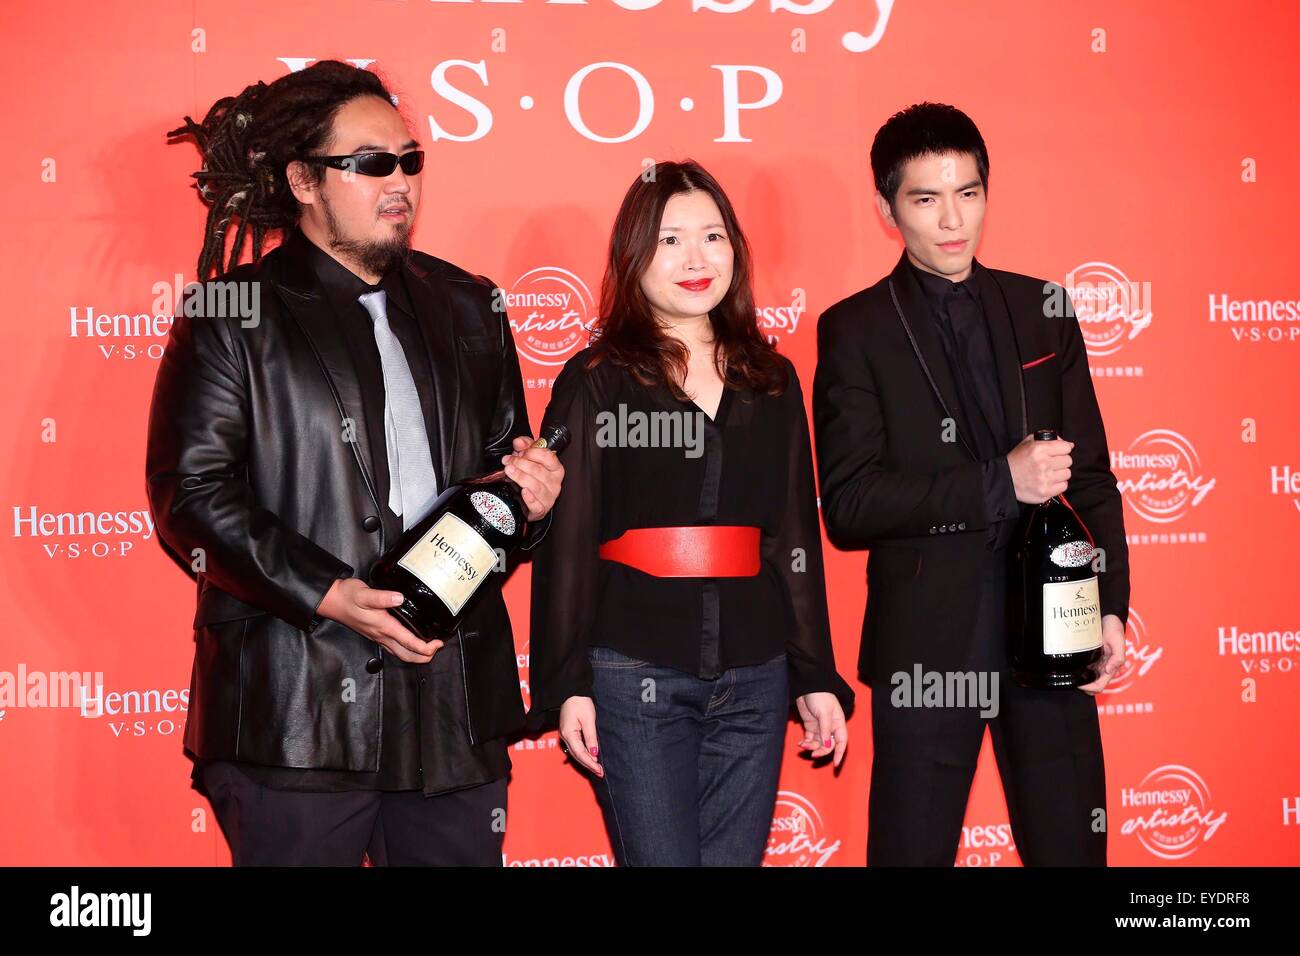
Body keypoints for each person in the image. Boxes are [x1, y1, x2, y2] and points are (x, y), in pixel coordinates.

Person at [146, 60, 563, 866]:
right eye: (371, 162)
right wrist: (328, 593)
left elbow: (500, 486)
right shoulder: (231, 316)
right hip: (296, 712)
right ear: (304, 179)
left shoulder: (472, 305)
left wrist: (534, 503)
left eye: (410, 160)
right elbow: (189, 496)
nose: (399, 179)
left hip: (452, 715)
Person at [813, 102, 1129, 866]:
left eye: (969, 193)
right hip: (927, 644)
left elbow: (1090, 478)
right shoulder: (855, 330)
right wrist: (999, 482)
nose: (953, 219)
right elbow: (851, 505)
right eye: (926, 199)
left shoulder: (1043, 309)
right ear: (888, 209)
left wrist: (1110, 607)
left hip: (1055, 629)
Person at [527, 160, 854, 867]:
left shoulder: (771, 379)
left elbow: (794, 539)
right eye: (670, 240)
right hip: (632, 673)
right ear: (633, 255)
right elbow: (569, 543)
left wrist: (816, 675)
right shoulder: (597, 381)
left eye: (713, 236)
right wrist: (567, 685)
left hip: (756, 677)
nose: (697, 259)